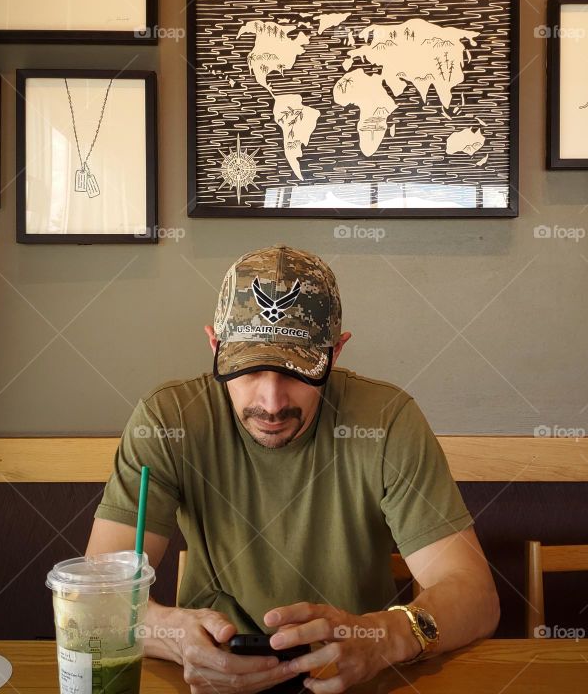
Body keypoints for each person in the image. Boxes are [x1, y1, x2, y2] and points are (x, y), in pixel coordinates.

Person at [86, 244, 499, 694]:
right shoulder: (169, 420)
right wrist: (172, 635)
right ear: (215, 346)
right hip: (208, 684)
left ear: (335, 354)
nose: (271, 402)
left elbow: (476, 596)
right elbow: (94, 599)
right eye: (247, 370)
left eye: (298, 371)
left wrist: (380, 639)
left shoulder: (387, 421)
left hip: (355, 682)